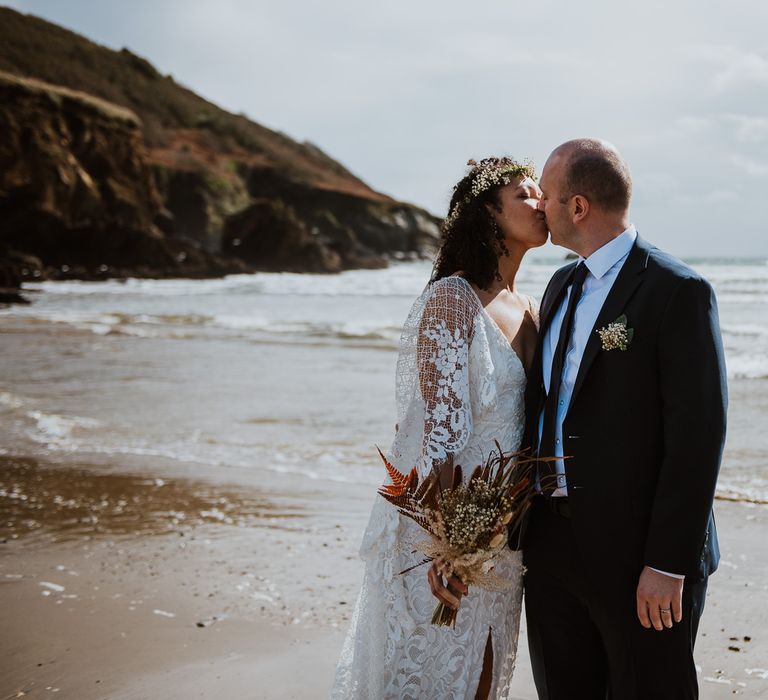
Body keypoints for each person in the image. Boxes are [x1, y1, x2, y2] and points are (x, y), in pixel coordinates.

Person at [331, 157, 548, 699]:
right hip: (443, 524)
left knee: (485, 673)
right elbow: (440, 437)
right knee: (442, 677)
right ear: (488, 215)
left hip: (500, 528)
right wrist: (446, 549)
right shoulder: (453, 301)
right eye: (524, 194)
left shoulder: (532, 308)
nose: (540, 202)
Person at [520, 138, 728, 699]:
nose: (539, 205)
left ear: (579, 207)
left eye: (548, 195)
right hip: (552, 547)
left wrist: (667, 562)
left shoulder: (676, 291)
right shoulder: (561, 283)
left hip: (640, 557)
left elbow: (699, 436)